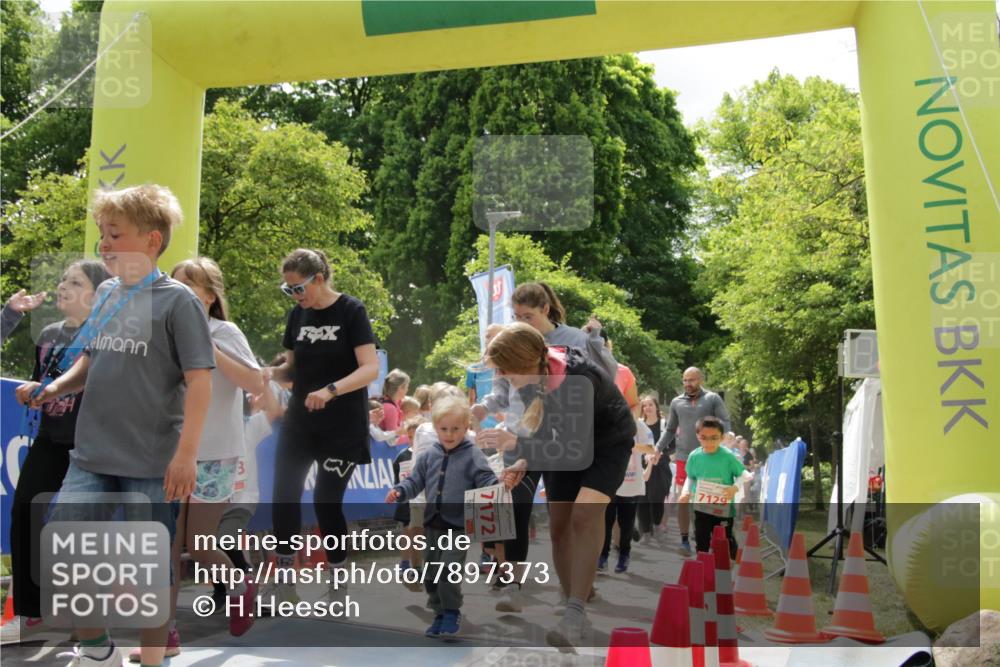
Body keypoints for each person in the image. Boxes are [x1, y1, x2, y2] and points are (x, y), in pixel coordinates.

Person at [29, 184, 215, 667]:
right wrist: (54, 389)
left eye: (115, 234)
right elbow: (91, 360)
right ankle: (97, 650)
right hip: (91, 455)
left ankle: (152, 659)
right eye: (102, 235)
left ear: (152, 241)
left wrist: (186, 454)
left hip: (153, 462)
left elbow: (199, 382)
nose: (104, 245)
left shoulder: (179, 303)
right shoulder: (108, 292)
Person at [479, 323, 635, 650]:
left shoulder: (580, 379)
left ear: (524, 361)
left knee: (583, 515)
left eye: (506, 369)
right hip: (566, 442)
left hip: (608, 443)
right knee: (559, 527)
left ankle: (575, 614)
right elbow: (543, 421)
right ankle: (571, 599)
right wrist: (524, 461)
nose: (504, 377)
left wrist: (517, 445)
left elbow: (573, 450)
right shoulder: (530, 374)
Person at [161, 257, 262, 653]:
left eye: (187, 286)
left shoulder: (226, 331)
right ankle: (164, 633)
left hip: (215, 453)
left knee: (200, 543)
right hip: (168, 453)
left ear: (209, 295)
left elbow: (254, 382)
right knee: (166, 544)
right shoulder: (162, 333)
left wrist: (208, 346)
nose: (178, 293)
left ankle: (239, 582)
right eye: (172, 285)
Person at [269, 248, 379, 602]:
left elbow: (370, 368)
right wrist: (265, 374)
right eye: (288, 290)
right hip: (300, 422)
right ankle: (285, 580)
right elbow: (291, 370)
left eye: (298, 288)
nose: (295, 297)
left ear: (319, 279)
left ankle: (338, 579)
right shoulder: (296, 316)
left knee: (325, 501)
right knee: (284, 493)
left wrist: (331, 391)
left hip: (342, 426)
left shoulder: (351, 311)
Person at [9, 261, 109, 642]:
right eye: (63, 279)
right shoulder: (49, 333)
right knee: (25, 513)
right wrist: (34, 391)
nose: (63, 286)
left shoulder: (107, 334)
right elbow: (44, 380)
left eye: (75, 281)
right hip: (49, 439)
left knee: (78, 530)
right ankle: (32, 614)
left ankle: (85, 617)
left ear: (96, 293)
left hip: (91, 445)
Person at [385, 397, 499, 638]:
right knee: (430, 572)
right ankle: (438, 612)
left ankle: (451, 611)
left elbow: (485, 477)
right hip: (432, 524)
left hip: (458, 526)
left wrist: (495, 487)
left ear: (466, 427)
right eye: (444, 429)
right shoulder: (429, 455)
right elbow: (414, 481)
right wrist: (400, 490)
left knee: (448, 569)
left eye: (455, 429)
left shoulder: (472, 454)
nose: (449, 434)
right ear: (435, 428)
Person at [652, 367, 731, 556]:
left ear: (701, 379)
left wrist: (724, 439)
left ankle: (709, 537)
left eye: (692, 380)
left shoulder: (712, 399)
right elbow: (670, 430)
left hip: (709, 458)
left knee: (707, 501)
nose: (688, 384)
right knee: (684, 499)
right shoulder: (676, 402)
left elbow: (725, 422)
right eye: (685, 381)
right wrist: (657, 448)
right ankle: (684, 540)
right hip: (684, 459)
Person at [678, 416, 745, 557]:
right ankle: (703, 569)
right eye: (704, 437)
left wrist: (735, 488)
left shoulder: (728, 456)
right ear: (698, 436)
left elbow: (744, 474)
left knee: (724, 542)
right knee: (701, 541)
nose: (709, 442)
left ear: (722, 437)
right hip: (701, 507)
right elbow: (690, 476)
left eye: (714, 438)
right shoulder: (694, 456)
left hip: (724, 509)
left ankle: (731, 554)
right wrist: (685, 492)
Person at [598, 417, 656, 574]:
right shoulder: (607, 420)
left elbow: (651, 449)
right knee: (606, 521)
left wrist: (632, 445)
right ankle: (602, 557)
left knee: (627, 524)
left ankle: (624, 555)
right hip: (610, 482)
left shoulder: (638, 424)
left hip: (631, 483)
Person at [391, 416, 426, 585]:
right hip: (406, 500)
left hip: (422, 500)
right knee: (407, 532)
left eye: (416, 436)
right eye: (410, 437)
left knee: (420, 534)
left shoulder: (426, 454)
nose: (413, 440)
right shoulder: (401, 456)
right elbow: (396, 479)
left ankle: (421, 564)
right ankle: (405, 564)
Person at [635, 395, 672, 542]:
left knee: (656, 499)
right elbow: (634, 443)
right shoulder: (639, 424)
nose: (647, 408)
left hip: (660, 468)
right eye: (644, 406)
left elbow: (673, 445)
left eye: (650, 405)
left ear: (656, 406)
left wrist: (661, 452)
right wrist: (647, 452)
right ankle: (646, 531)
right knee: (642, 500)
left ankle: (657, 525)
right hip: (642, 466)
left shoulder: (665, 425)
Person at [379, 368, 410, 433]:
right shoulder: (390, 408)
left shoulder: (389, 401)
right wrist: (412, 437)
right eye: (407, 387)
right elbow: (392, 440)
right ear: (400, 388)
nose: (408, 390)